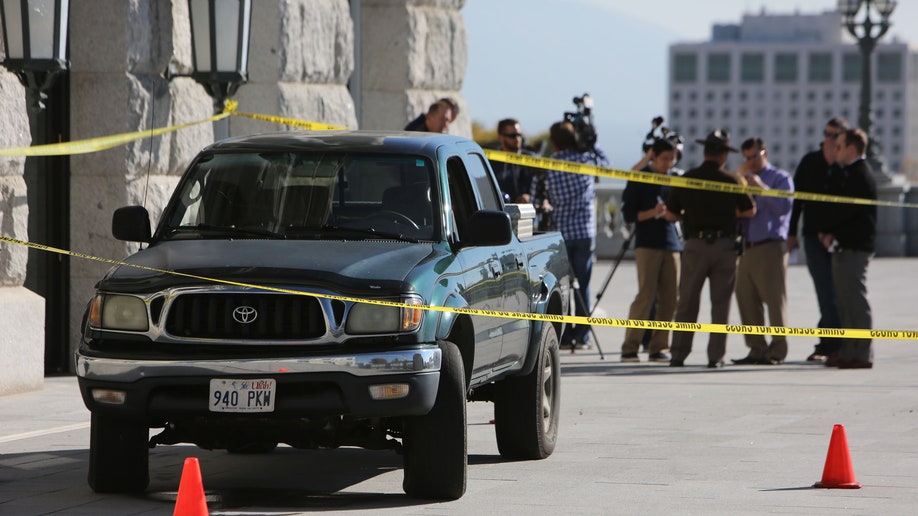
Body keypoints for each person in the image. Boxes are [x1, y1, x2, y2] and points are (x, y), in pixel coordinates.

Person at [664, 130, 756, 368]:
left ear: (705, 152)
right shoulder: (733, 180)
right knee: (721, 304)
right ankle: (715, 357)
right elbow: (750, 210)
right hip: (725, 246)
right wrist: (729, 213)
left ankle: (678, 354)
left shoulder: (688, 178)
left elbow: (671, 213)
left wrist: (691, 214)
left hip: (695, 244)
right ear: (724, 155)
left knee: (686, 302)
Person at [533, 121, 610, 349]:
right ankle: (583, 336)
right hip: (585, 232)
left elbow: (538, 200)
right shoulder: (586, 160)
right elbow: (606, 164)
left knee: (563, 287)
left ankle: (565, 335)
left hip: (562, 234)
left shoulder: (549, 164)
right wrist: (591, 144)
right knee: (583, 287)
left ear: (554, 142)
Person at [788, 117, 849, 363]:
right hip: (813, 237)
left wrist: (834, 231)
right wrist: (791, 233)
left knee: (838, 293)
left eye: (834, 135)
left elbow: (848, 207)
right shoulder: (810, 162)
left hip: (839, 238)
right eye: (827, 133)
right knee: (825, 292)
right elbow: (797, 201)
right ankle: (829, 344)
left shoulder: (846, 166)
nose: (829, 138)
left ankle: (832, 344)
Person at [731, 137, 794, 365]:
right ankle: (756, 348)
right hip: (747, 247)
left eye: (755, 156)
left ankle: (778, 349)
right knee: (746, 298)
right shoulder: (743, 178)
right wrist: (739, 181)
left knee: (775, 300)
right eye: (747, 158)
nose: (751, 162)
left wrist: (762, 188)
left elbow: (785, 207)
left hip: (770, 246)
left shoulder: (780, 178)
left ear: (764, 153)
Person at [619, 138, 683, 363]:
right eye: (664, 158)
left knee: (670, 299)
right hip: (647, 244)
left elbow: (682, 211)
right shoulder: (641, 178)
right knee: (645, 296)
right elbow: (628, 215)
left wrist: (671, 215)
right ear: (653, 156)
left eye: (672, 158)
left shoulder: (676, 179)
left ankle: (658, 347)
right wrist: (652, 212)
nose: (668, 163)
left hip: (672, 243)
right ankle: (630, 346)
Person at [819, 128, 876, 369]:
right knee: (844, 302)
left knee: (855, 301)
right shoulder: (849, 173)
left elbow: (847, 212)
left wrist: (831, 230)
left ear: (852, 148)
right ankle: (849, 348)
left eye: (840, 146)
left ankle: (861, 353)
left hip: (854, 247)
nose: (836, 150)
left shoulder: (860, 174)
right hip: (844, 246)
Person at [490, 118, 537, 203]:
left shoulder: (530, 159)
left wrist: (530, 196)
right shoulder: (491, 160)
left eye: (519, 135)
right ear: (501, 137)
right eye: (512, 136)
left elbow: (541, 188)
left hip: (526, 212)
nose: (517, 139)